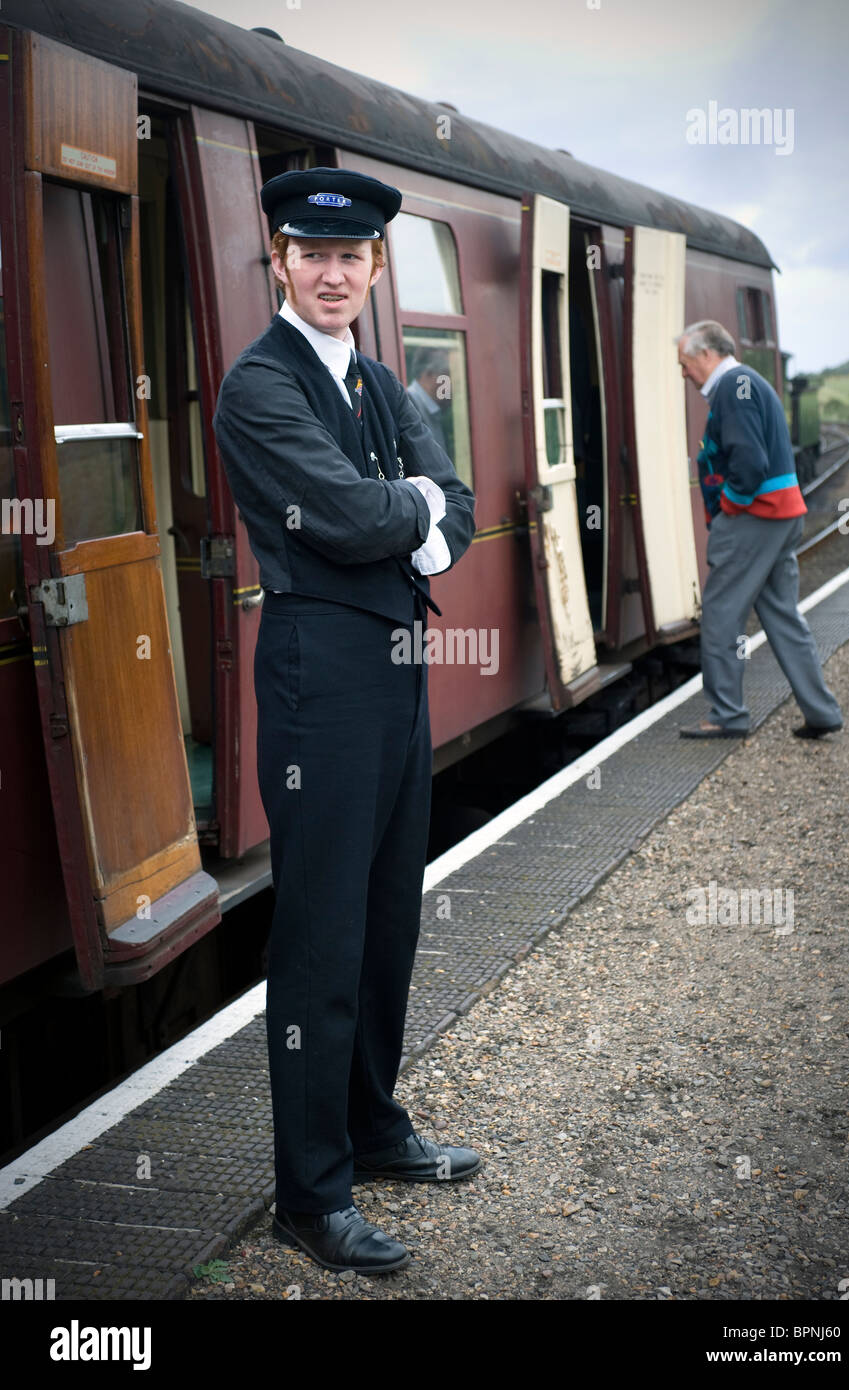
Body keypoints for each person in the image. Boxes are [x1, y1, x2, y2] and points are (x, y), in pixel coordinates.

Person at [212, 168, 478, 1275]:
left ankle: (372, 1126)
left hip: (397, 667)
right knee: (320, 938)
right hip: (322, 679)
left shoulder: (375, 379)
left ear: (374, 269)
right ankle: (309, 1197)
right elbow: (348, 513)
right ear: (280, 259)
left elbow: (451, 501)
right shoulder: (259, 387)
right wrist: (409, 509)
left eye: (353, 257)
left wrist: (415, 512)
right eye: (313, 255)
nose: (333, 273)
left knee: (386, 918)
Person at [675, 319, 842, 740]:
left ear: (707, 354)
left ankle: (728, 715)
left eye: (685, 362)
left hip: (755, 518)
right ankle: (821, 711)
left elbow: (748, 462)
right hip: (781, 516)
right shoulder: (747, 384)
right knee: (782, 616)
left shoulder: (734, 387)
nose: (683, 373)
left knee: (720, 614)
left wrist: (731, 503)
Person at [406, 348, 451, 455]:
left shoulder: (433, 410)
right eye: (447, 375)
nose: (453, 383)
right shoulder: (409, 406)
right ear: (428, 374)